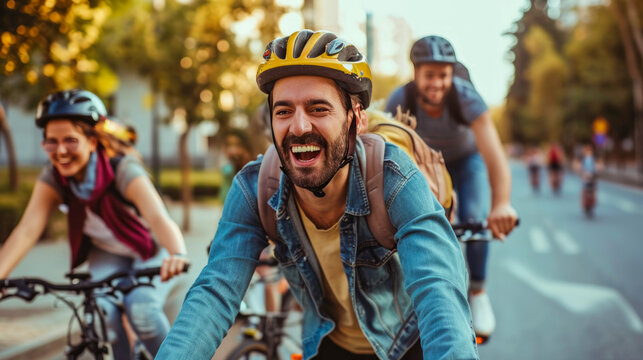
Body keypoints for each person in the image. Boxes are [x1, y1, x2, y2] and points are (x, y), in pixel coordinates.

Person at [157, 30, 478, 360]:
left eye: (318, 108)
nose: (298, 127)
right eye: (283, 111)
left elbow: (437, 290)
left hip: (413, 341)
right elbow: (215, 293)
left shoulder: (393, 177)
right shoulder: (255, 188)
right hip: (331, 343)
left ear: (357, 121)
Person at [0, 89, 189, 360]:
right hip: (108, 253)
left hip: (150, 248)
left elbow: (159, 218)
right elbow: (28, 229)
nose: (60, 151)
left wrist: (178, 253)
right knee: (104, 312)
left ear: (92, 141)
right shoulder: (53, 178)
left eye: (70, 141)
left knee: (142, 310)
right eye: (51, 142)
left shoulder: (123, 170)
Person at [385, 35, 518, 340]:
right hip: (427, 165)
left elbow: (494, 156)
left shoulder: (466, 97)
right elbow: (391, 157)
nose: (437, 83)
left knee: (475, 216)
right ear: (416, 74)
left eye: (443, 75)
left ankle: (479, 291)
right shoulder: (399, 101)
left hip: (467, 162)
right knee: (418, 220)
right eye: (429, 75)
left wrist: (502, 204)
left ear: (452, 74)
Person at [218, 129, 254, 203]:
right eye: (228, 145)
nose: (232, 150)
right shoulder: (228, 171)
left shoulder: (253, 172)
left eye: (237, 144)